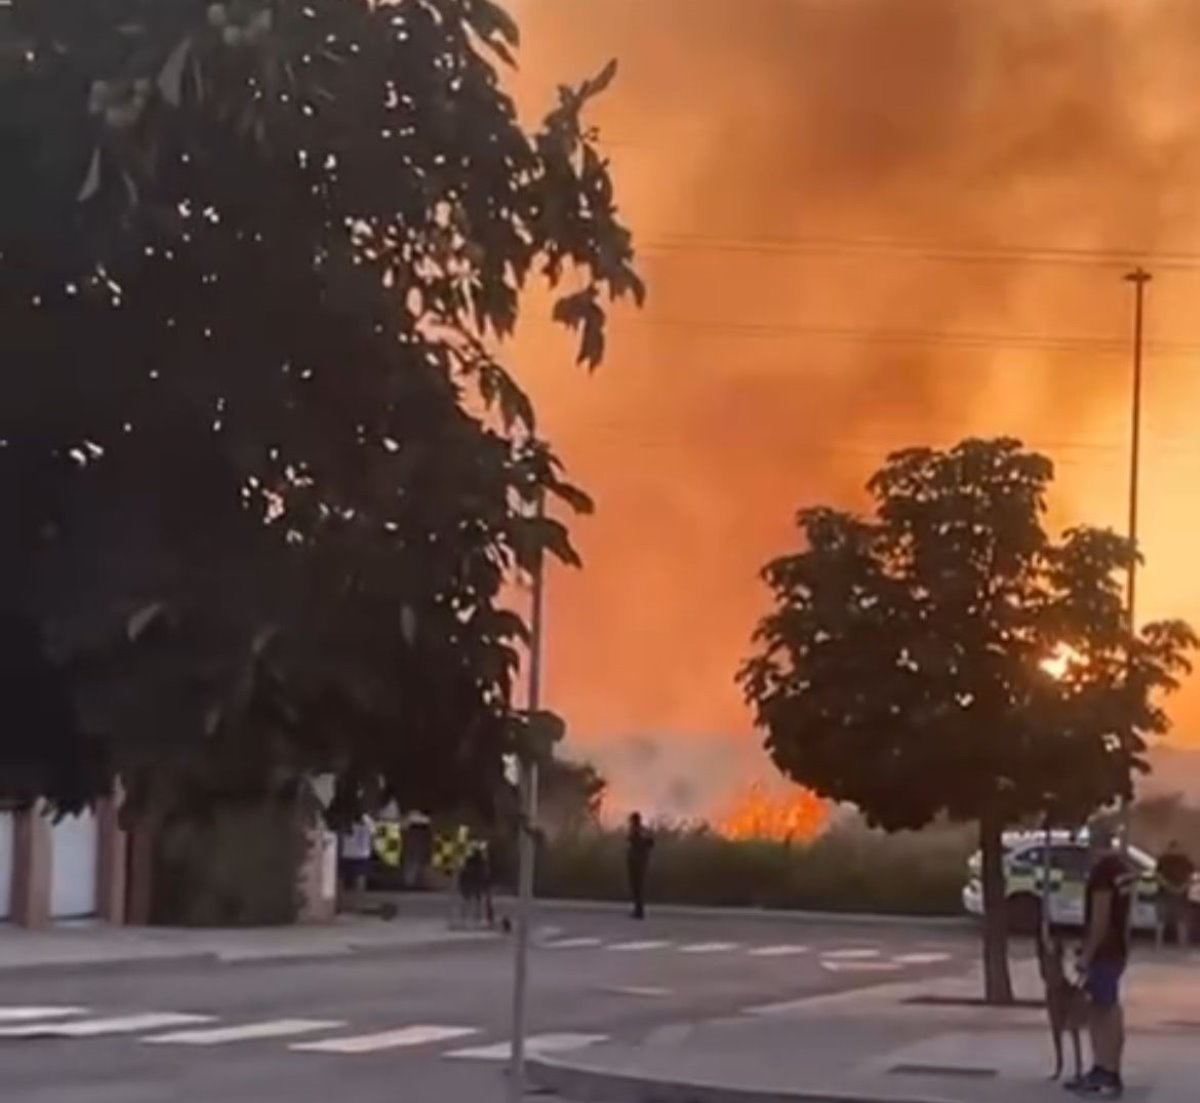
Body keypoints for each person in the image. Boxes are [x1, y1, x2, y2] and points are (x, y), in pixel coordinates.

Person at [1068, 832, 1135, 1098]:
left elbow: (1100, 918)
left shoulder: (1102, 874)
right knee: (1112, 1010)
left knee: (1101, 1011)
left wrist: (1087, 954)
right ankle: (1111, 1069)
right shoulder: (1123, 869)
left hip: (1104, 951)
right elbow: (1125, 915)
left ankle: (1103, 1071)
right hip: (1118, 947)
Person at [1154, 840, 1194, 949]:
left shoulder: (1185, 861)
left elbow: (1190, 878)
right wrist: (1177, 888)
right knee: (1164, 919)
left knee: (1178, 920)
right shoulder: (1163, 860)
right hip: (1169, 894)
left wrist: (1178, 888)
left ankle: (1179, 945)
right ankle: (1161, 944)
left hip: (1175, 894)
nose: (1175, 850)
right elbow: (1158, 876)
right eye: (1174, 848)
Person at [626, 812, 654, 920]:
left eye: (632, 820)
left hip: (637, 861)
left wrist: (640, 843)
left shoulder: (637, 830)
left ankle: (639, 911)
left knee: (637, 886)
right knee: (637, 886)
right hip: (639, 861)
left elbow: (649, 843)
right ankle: (638, 909)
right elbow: (650, 843)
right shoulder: (644, 830)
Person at [339, 813, 374, 894]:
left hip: (356, 856)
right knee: (348, 885)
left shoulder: (366, 819)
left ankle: (351, 901)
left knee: (354, 885)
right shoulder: (366, 819)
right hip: (352, 856)